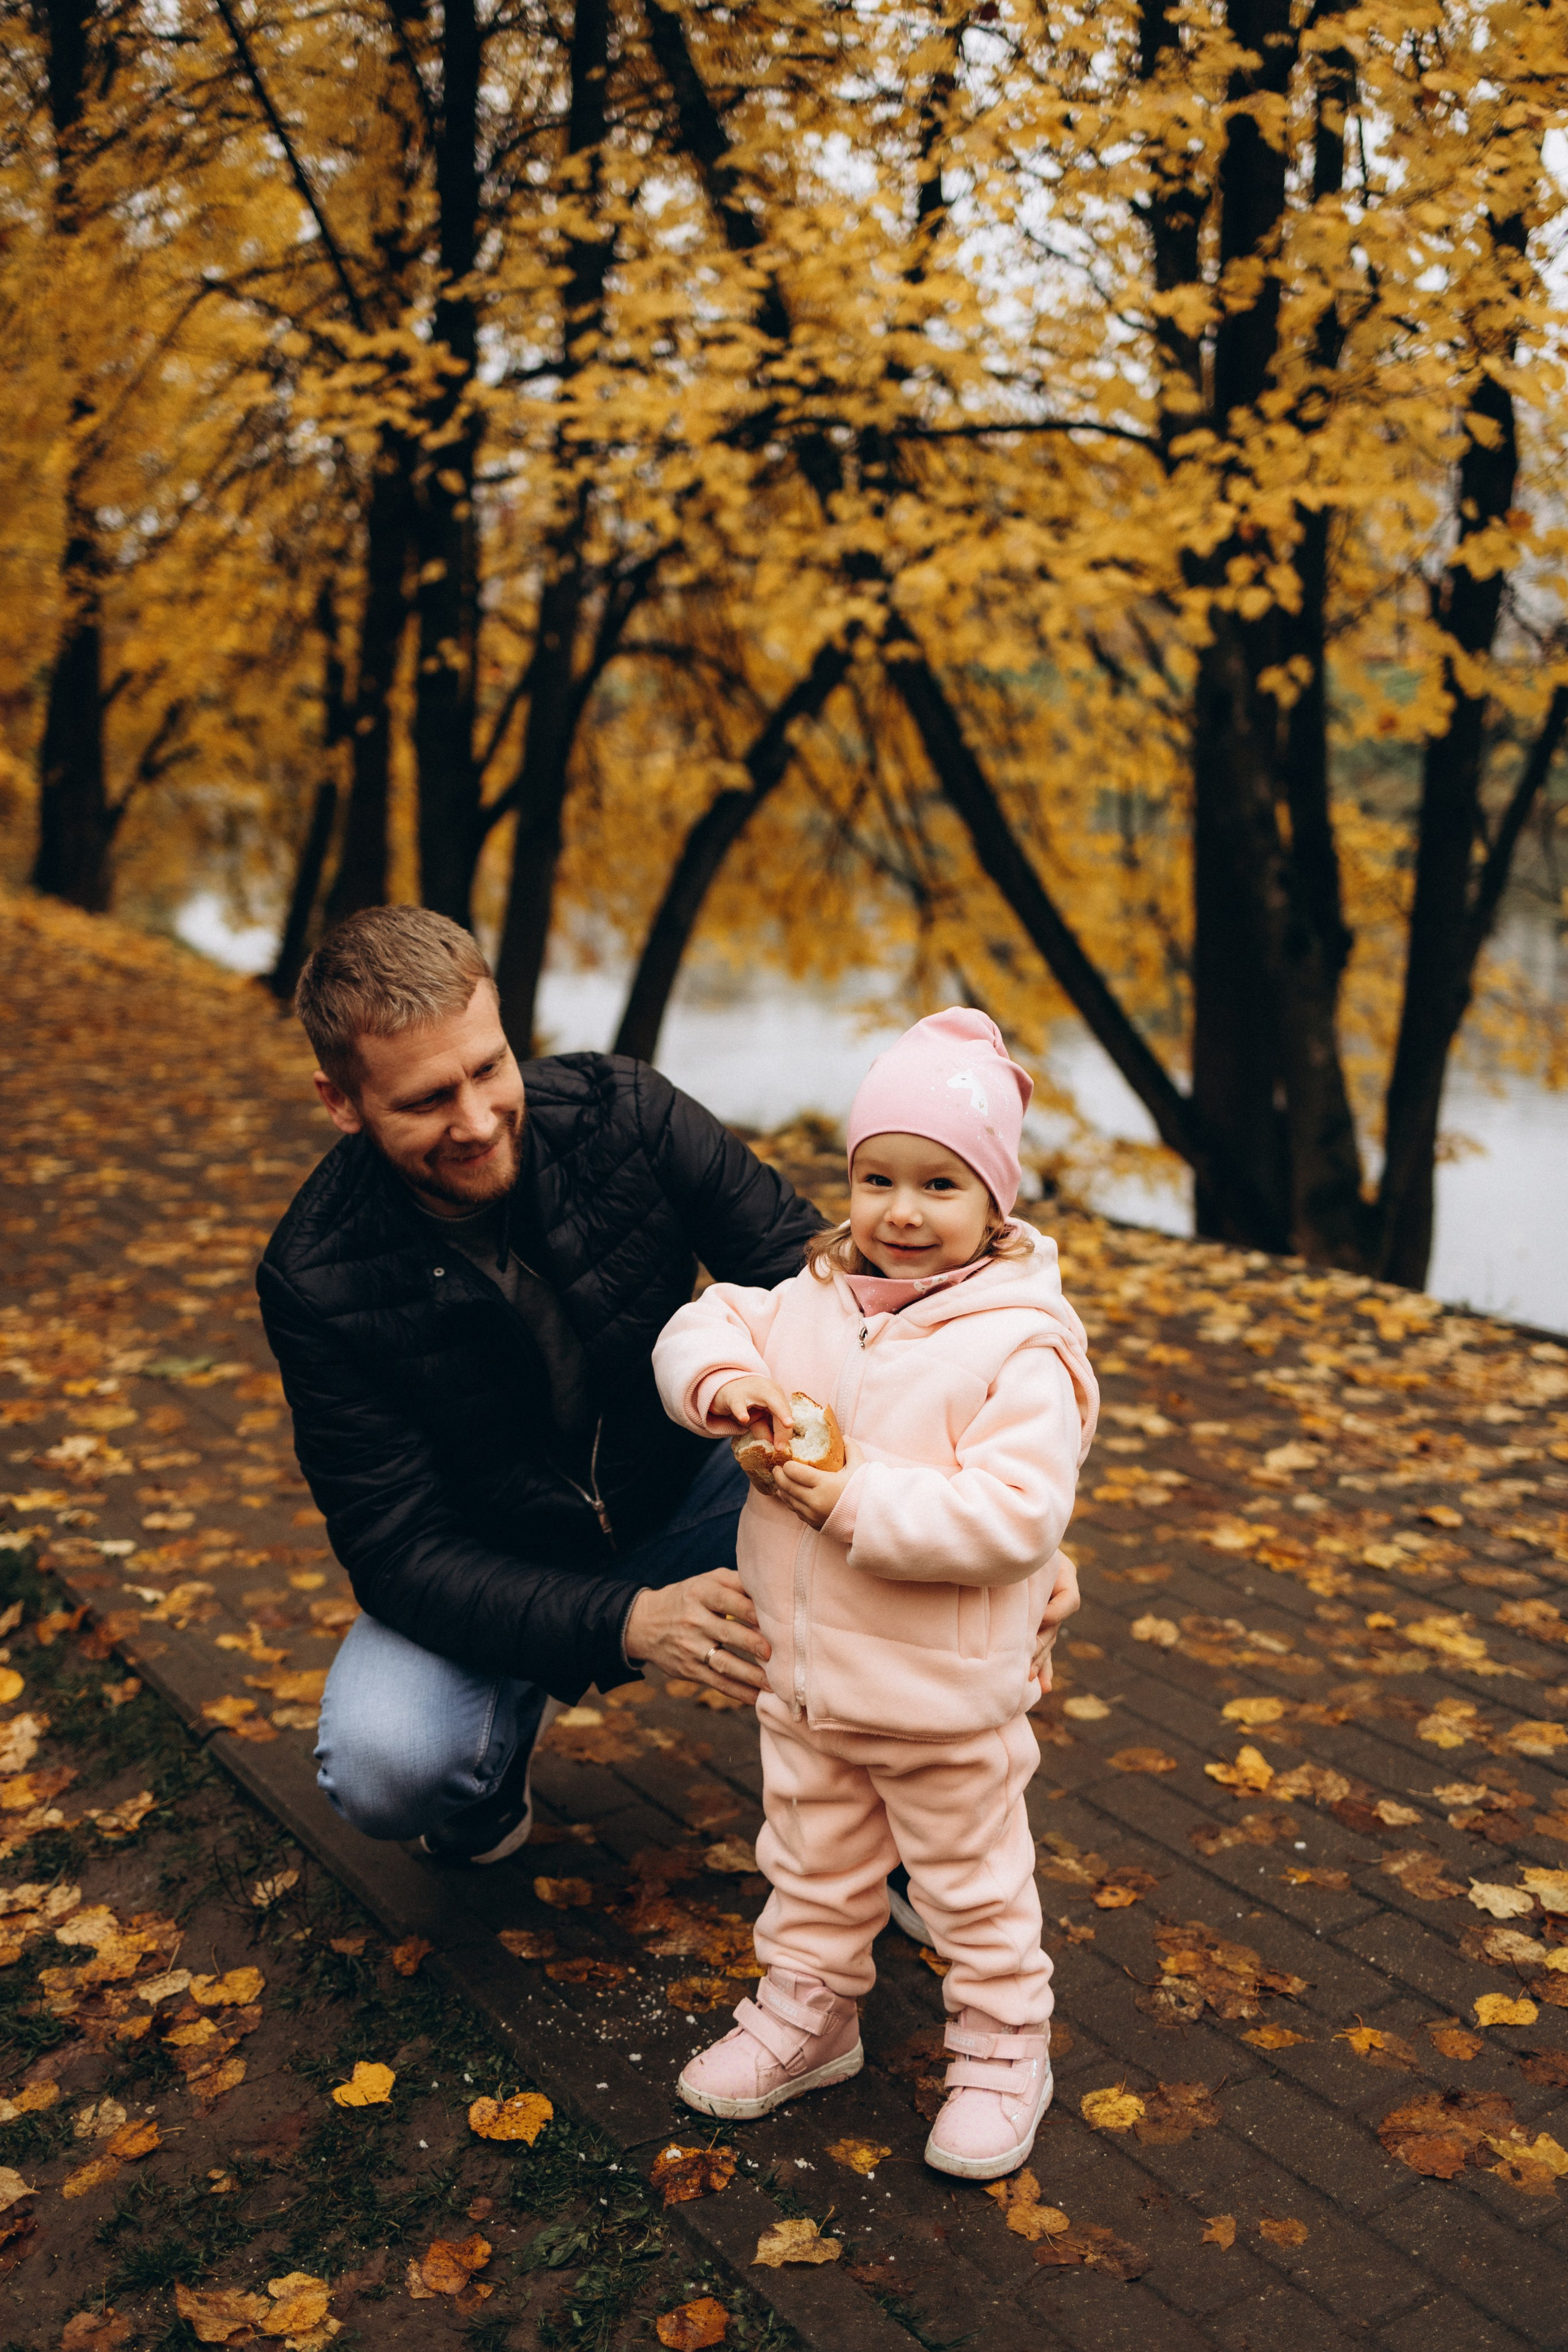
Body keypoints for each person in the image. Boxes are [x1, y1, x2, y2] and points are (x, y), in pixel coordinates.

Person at [257, 904, 820, 1862]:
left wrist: (987, 1533)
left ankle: (894, 1849)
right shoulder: (314, 1276)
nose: (476, 1122)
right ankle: (486, 1778)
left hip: (690, 1489)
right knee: (387, 1763)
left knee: (902, 1563)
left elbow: (826, 1293)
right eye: (427, 1100)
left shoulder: (628, 1113)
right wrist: (623, 1622)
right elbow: (398, 1552)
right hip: (497, 1553)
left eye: (488, 1069)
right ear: (342, 1101)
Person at [652, 1008, 1097, 2181]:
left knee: (973, 1891)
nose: (903, 1212)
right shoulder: (810, 1298)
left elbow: (1013, 1519)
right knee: (810, 1867)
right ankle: (812, 2015)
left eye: (940, 1184)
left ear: (996, 1203)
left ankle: (1006, 2050)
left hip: (943, 1701)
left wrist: (847, 1495)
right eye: (877, 1177)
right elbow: (701, 1320)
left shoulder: (1019, 1350)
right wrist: (729, 1382)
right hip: (804, 1684)